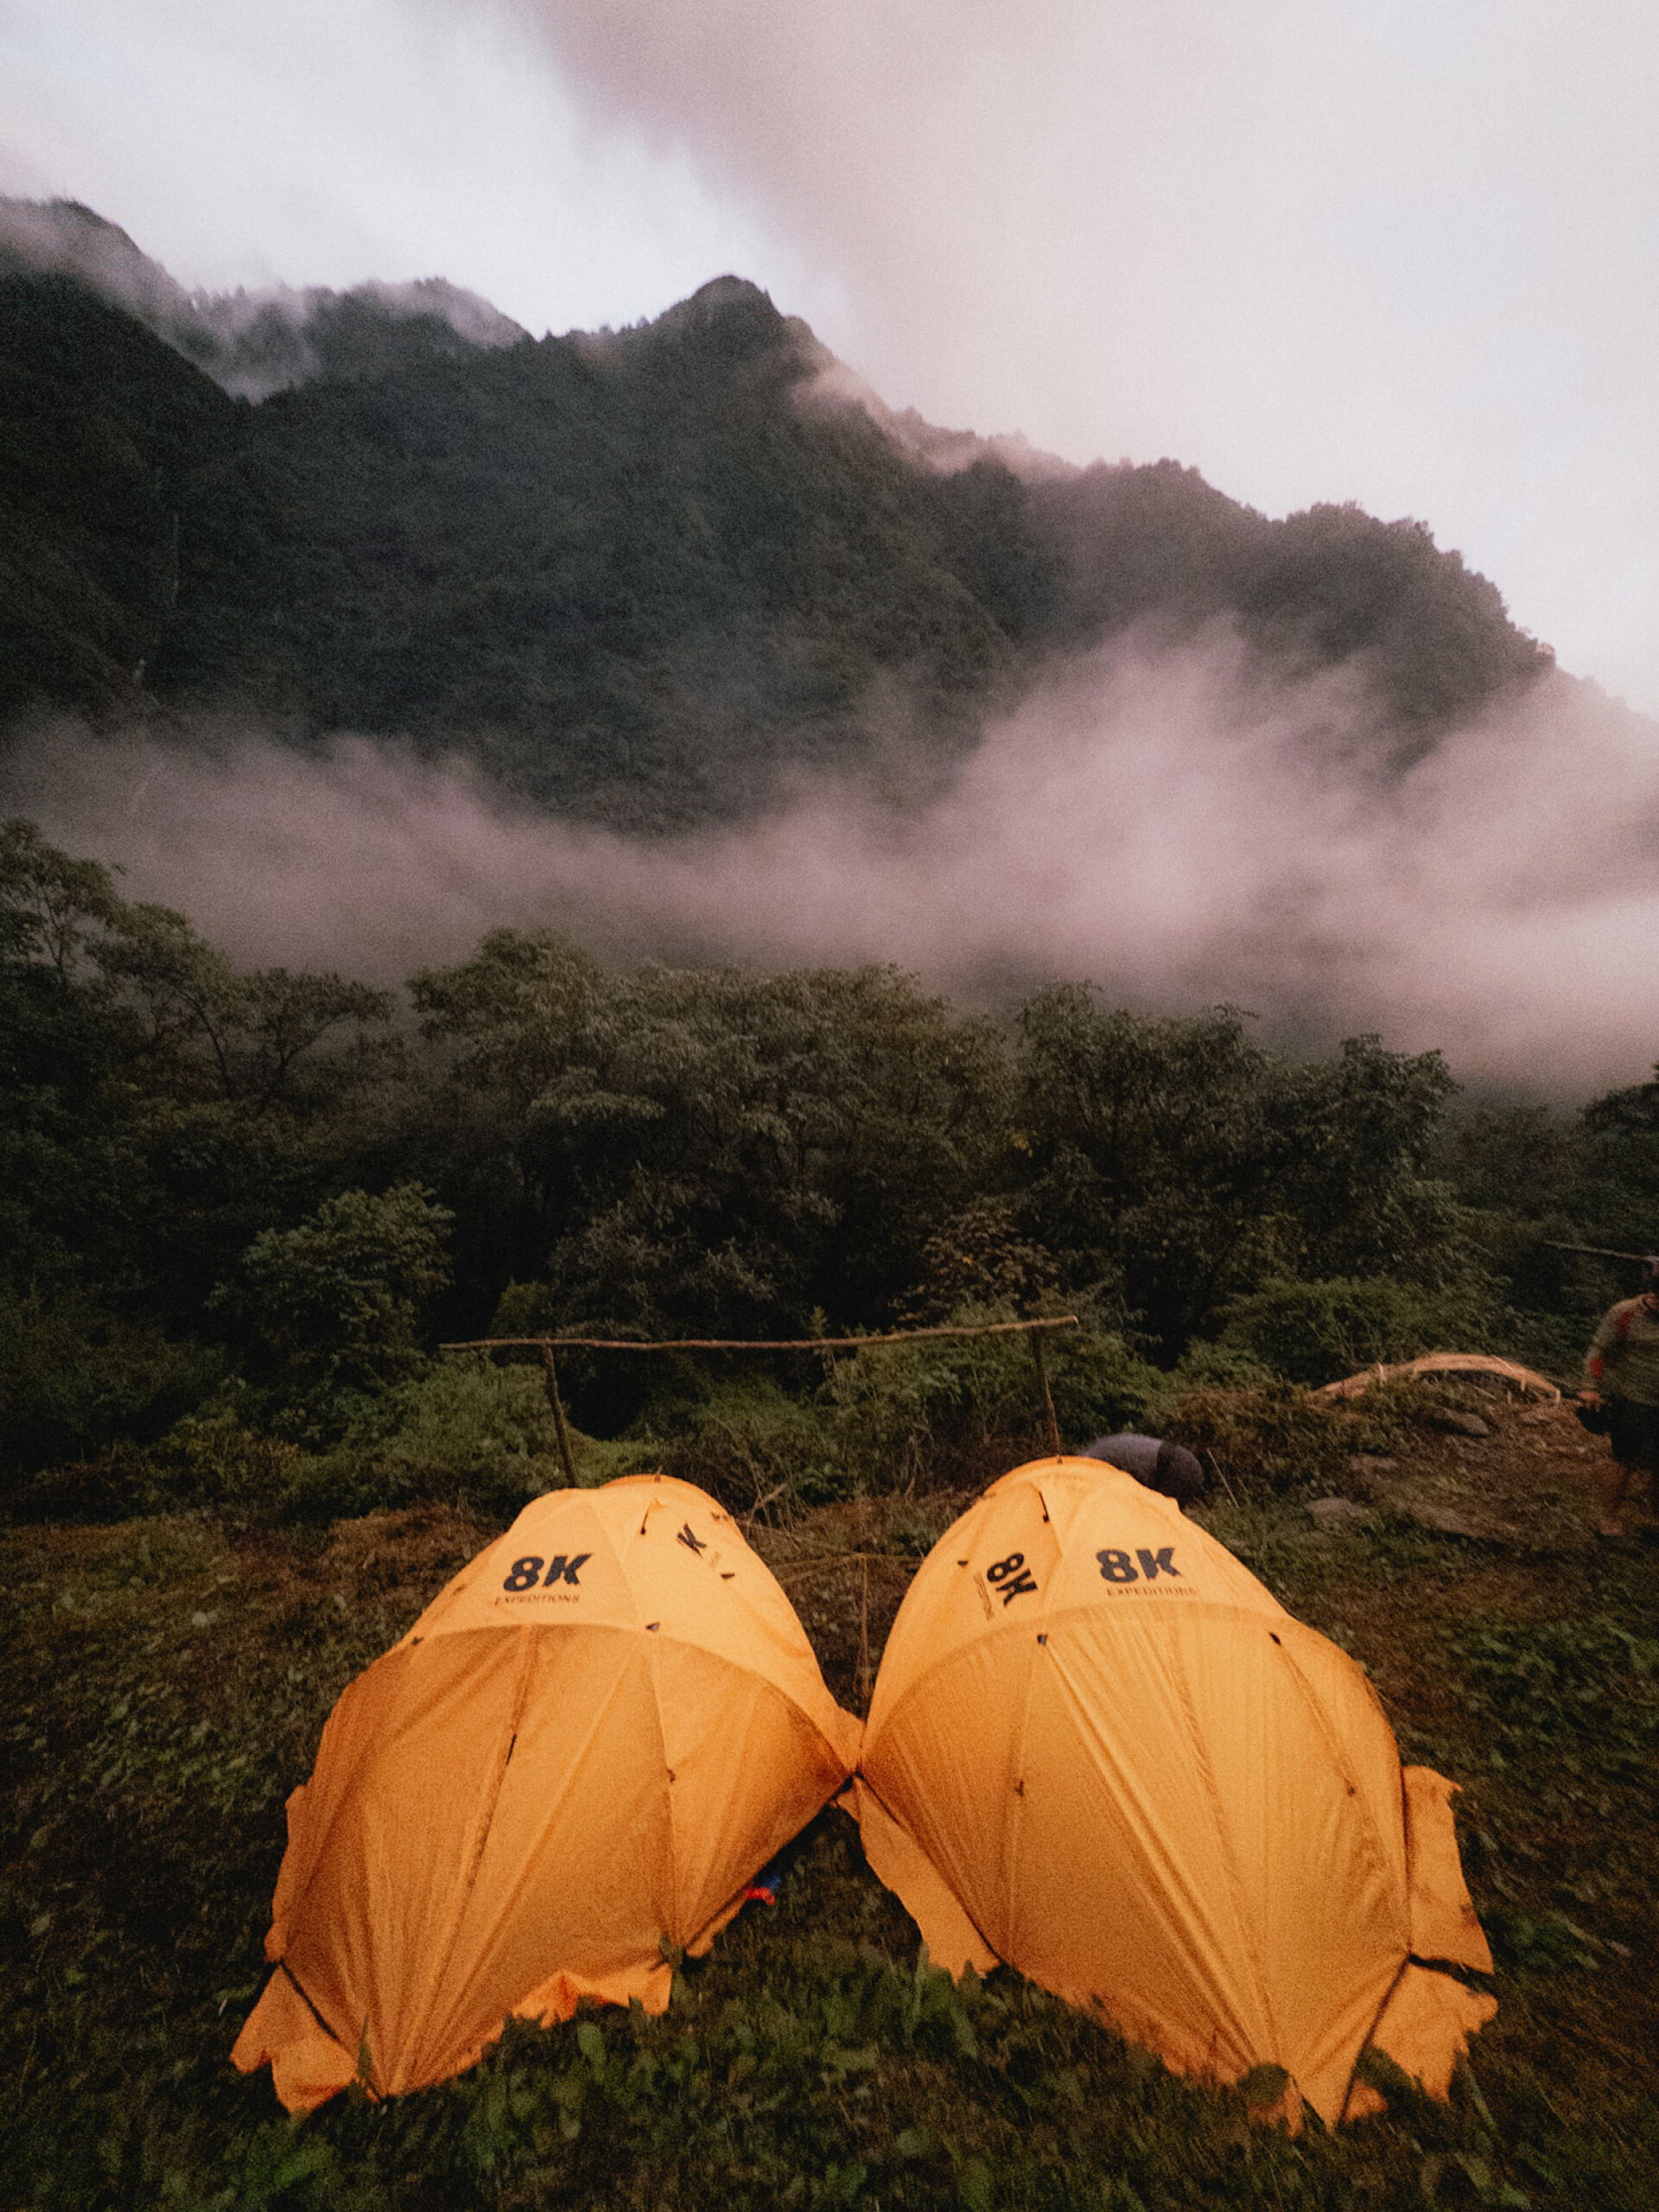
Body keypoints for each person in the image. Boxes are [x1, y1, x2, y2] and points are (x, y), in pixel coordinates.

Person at [1580, 1261, 1659, 1538]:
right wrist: (1590, 1387)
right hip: (1631, 1399)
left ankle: (1654, 1521)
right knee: (1624, 1460)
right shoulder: (1625, 1313)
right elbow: (1598, 1351)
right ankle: (1608, 1518)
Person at [1080, 1432, 1205, 1508]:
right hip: (1177, 1459)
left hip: (1172, 1465)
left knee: (1162, 1517)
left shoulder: (1092, 1463)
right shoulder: (1100, 1450)